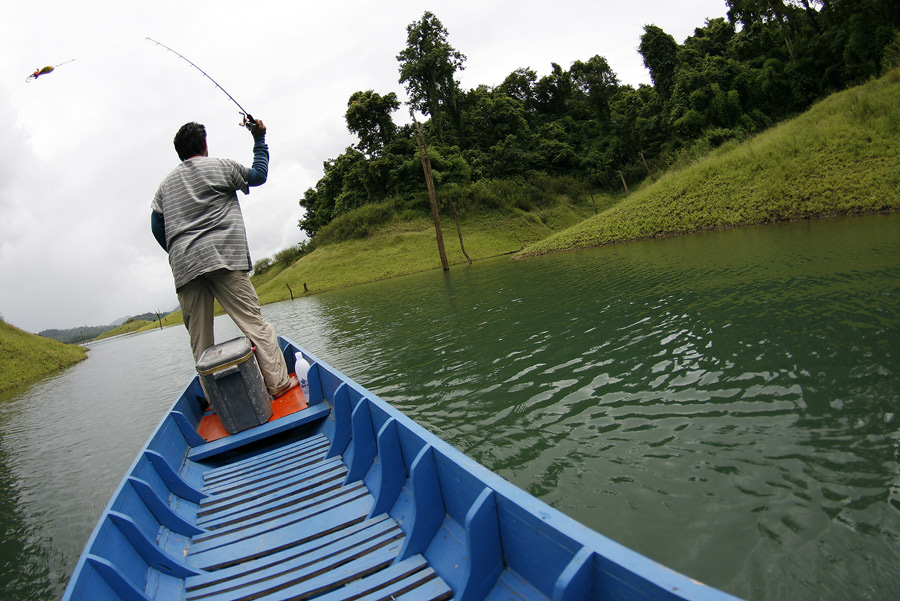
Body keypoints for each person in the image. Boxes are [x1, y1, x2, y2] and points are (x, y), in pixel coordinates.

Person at [151, 119, 298, 398]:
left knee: (201, 339)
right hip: (224, 258)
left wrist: (176, 249)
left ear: (180, 152)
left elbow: (157, 225)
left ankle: (215, 400)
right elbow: (258, 175)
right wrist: (259, 138)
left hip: (185, 265)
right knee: (252, 322)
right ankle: (278, 384)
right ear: (204, 146)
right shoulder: (221, 166)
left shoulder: (164, 187)